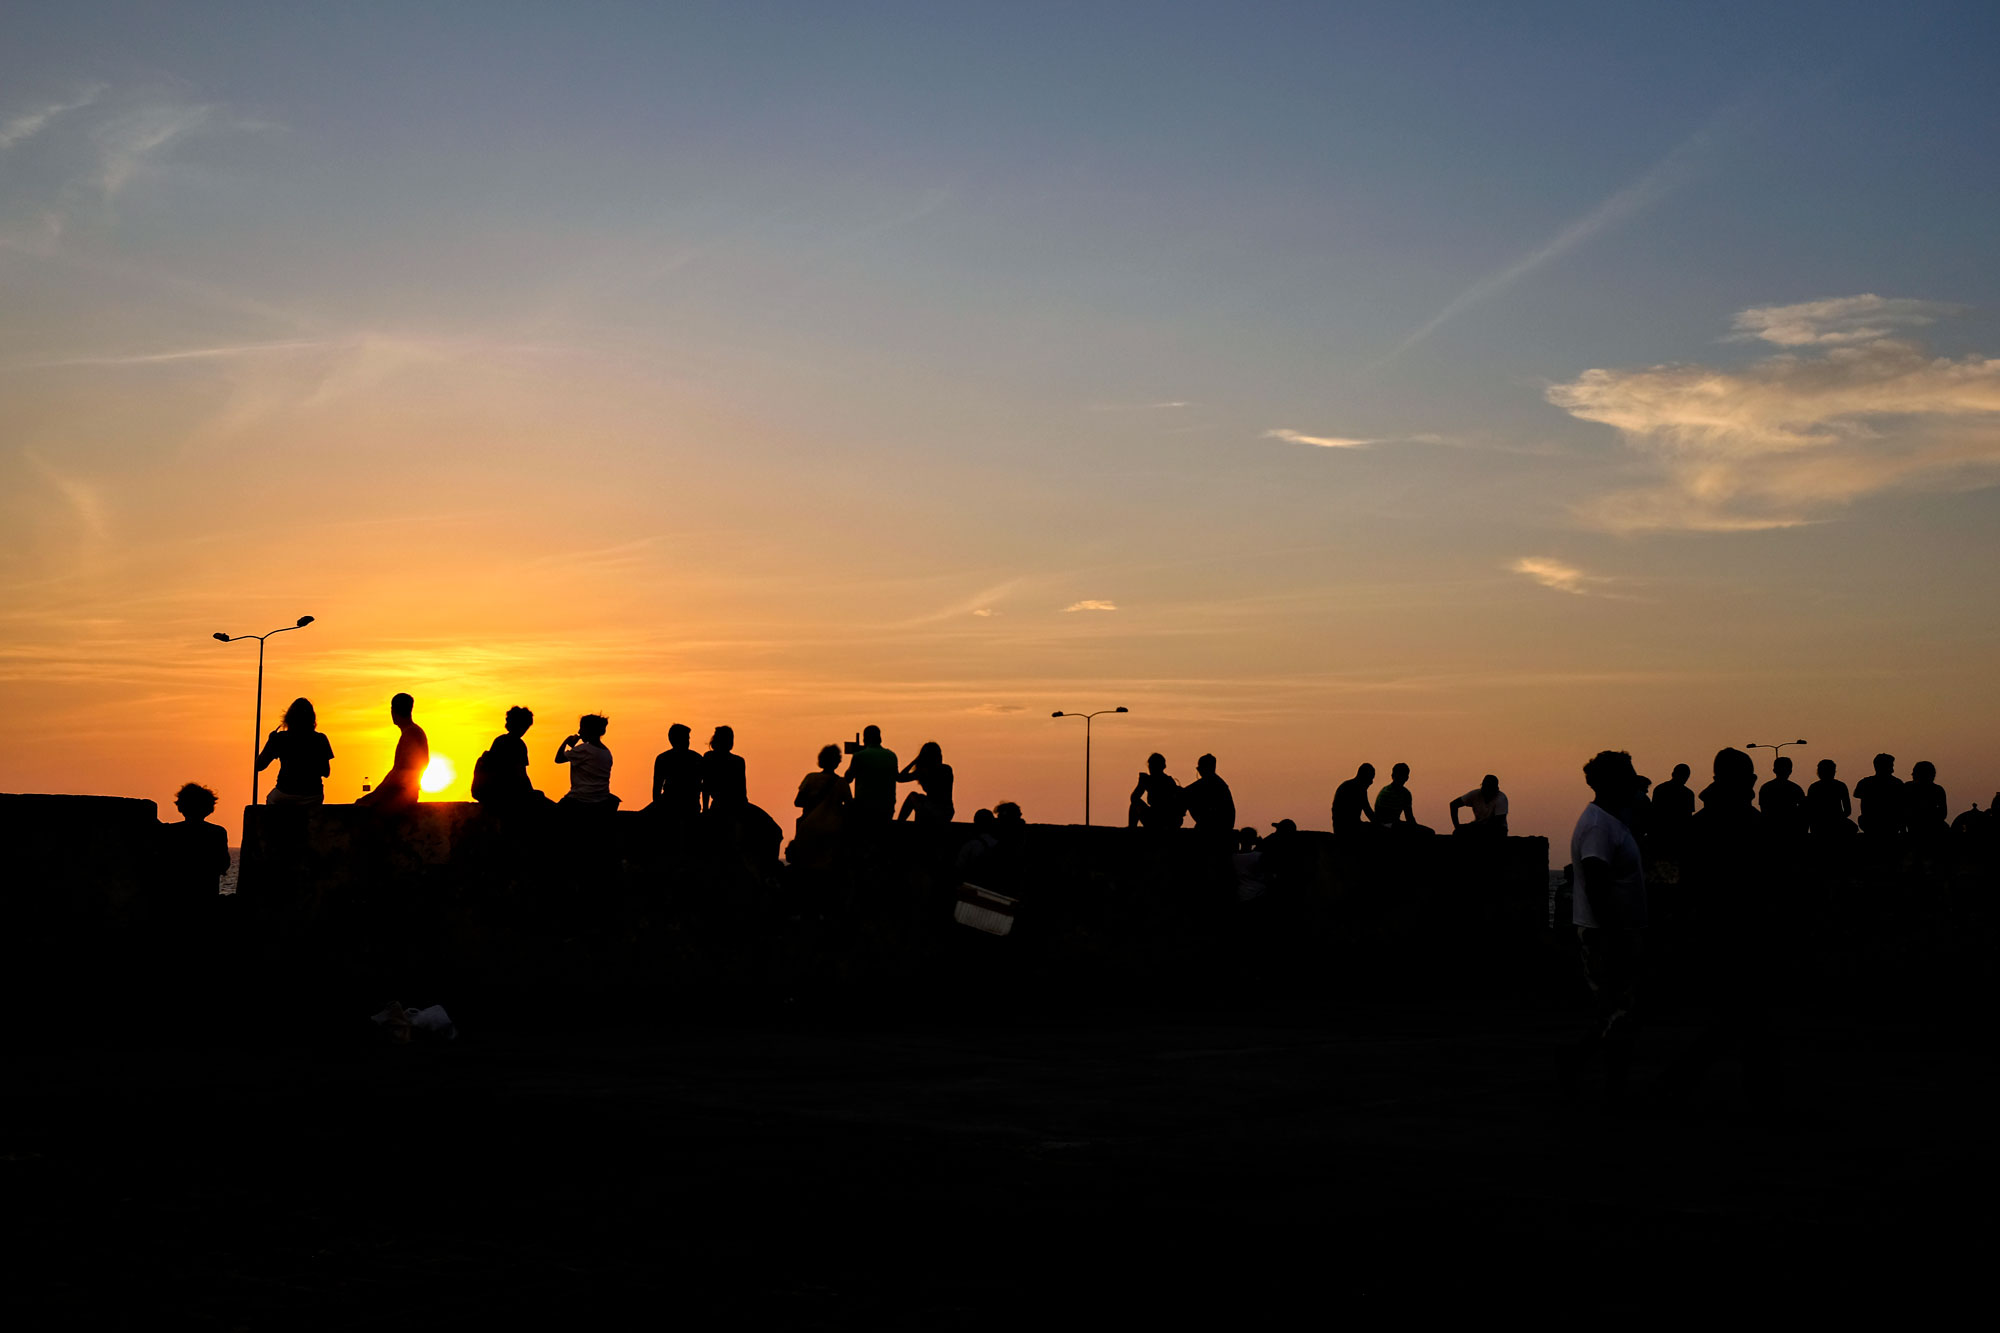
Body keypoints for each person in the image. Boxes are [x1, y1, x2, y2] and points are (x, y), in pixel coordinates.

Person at [1659, 748, 1781, 1111]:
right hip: (1738, 932)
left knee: (1738, 1021)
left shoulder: (1704, 823)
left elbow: (1689, 885)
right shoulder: (1745, 823)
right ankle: (1754, 1095)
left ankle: (1684, 1083)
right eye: (1750, 776)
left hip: (1719, 930)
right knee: (1745, 1021)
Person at [1563, 749, 1647, 1111]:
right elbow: (1597, 883)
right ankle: (1610, 1088)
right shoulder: (1598, 826)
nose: (1634, 779)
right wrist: (1615, 937)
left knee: (1616, 1013)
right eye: (1628, 774)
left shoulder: (1612, 821)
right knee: (1620, 1015)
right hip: (1605, 934)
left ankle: (1580, 1067)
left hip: (1613, 932)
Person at [155, 782, 231, 922]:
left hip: (175, 901)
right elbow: (223, 864)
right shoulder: (217, 833)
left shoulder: (170, 832)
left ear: (181, 807)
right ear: (209, 807)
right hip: (206, 898)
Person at [356, 693, 427, 811]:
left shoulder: (411, 733)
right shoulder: (412, 733)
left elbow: (400, 772)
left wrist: (374, 796)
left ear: (393, 710)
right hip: (403, 794)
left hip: (402, 797)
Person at [255, 697, 333, 805]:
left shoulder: (280, 738)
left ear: (289, 718)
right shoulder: (320, 739)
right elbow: (326, 772)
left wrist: (270, 742)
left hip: (285, 794)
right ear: (312, 719)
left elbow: (259, 766)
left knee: (271, 800)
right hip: (313, 796)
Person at [792, 743, 851, 870]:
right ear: (837, 762)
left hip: (809, 827)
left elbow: (798, 802)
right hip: (833, 830)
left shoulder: (811, 778)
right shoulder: (842, 783)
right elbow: (850, 807)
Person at [472, 706, 542, 805]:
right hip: (501, 793)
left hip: (492, 792)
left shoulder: (500, 740)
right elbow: (521, 775)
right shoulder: (517, 744)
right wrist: (531, 793)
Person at [554, 714, 616, 807]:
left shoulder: (584, 749)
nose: (579, 732)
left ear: (589, 730)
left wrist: (566, 742)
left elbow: (558, 759)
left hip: (580, 798)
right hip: (601, 799)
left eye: (582, 728)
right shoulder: (607, 752)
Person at [845, 725, 898, 825]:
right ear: (880, 739)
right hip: (886, 808)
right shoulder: (891, 755)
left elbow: (848, 779)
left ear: (865, 739)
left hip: (864, 807)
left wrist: (855, 757)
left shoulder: (859, 756)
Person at [651, 724, 703, 822]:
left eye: (688, 739)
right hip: (672, 808)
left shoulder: (697, 759)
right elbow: (657, 788)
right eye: (685, 738)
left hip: (689, 807)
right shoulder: (697, 758)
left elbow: (657, 788)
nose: (687, 742)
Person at [896, 741, 956, 824]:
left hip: (937, 811)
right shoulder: (947, 769)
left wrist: (914, 761)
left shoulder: (924, 772)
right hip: (947, 812)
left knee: (913, 796)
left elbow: (900, 778)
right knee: (921, 800)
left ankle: (899, 823)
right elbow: (900, 778)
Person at [1854, 753, 1905, 839]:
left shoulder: (1865, 783)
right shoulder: (1897, 783)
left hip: (1871, 823)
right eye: (1891, 766)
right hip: (1889, 824)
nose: (1892, 770)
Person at [1128, 753, 1185, 830]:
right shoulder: (1165, 780)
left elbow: (1134, 798)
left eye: (1154, 765)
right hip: (1158, 817)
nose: (1151, 768)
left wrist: (1143, 783)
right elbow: (1134, 798)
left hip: (1164, 818)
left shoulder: (1167, 781)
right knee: (1134, 805)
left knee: (1134, 806)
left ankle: (1131, 829)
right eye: (1151, 765)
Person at [1182, 754, 1236, 835]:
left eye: (1199, 768)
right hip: (1224, 825)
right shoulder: (1219, 783)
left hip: (1215, 826)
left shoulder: (1213, 783)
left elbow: (1187, 792)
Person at [701, 725, 747, 818]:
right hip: (731, 808)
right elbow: (706, 786)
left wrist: (705, 809)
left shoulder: (709, 757)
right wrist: (705, 809)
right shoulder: (738, 761)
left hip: (731, 807)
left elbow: (706, 787)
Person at [1757, 755, 1807, 840]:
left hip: (1771, 831)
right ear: (1790, 771)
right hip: (1791, 831)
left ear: (1774, 770)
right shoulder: (1795, 788)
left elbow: (1764, 810)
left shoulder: (1766, 787)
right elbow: (1804, 811)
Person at [1374, 762, 1431, 835]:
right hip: (1391, 826)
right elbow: (1409, 817)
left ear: (1392, 776)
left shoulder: (1384, 791)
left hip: (1385, 825)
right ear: (1407, 778)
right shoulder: (1404, 794)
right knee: (1429, 832)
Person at [1806, 758, 1854, 838]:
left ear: (1819, 773)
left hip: (1818, 825)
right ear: (1834, 772)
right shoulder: (1841, 786)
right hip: (1837, 823)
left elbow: (1809, 810)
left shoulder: (1814, 787)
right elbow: (1848, 810)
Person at [1330, 763, 1377, 837]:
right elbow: (1368, 812)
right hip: (1348, 829)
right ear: (1364, 777)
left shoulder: (1346, 785)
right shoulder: (1359, 789)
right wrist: (1381, 824)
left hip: (1340, 827)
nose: (1371, 782)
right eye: (1370, 778)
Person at [1905, 761, 1948, 841]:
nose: (1912, 774)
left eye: (1914, 772)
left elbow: (1943, 813)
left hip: (1931, 830)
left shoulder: (1908, 788)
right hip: (1918, 830)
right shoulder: (1908, 788)